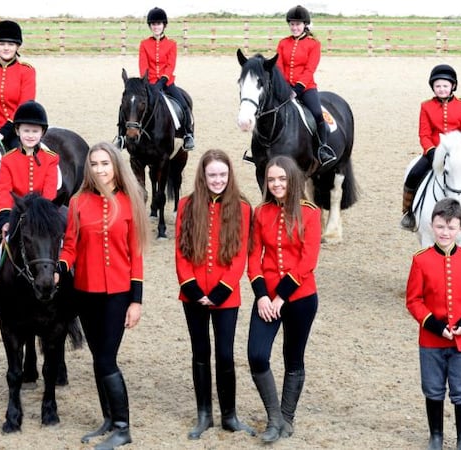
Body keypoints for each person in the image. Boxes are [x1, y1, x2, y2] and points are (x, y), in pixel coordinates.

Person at [57, 142, 149, 449]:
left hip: (118, 294)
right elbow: (70, 245)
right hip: (86, 291)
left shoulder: (129, 201)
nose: (99, 169)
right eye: (94, 164)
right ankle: (109, 419)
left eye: (105, 163)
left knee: (108, 359)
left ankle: (123, 427)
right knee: (98, 358)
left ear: (115, 167)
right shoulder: (78, 201)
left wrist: (136, 301)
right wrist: (60, 267)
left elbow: (136, 253)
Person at [175, 149, 255, 440]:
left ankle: (229, 416)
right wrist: (193, 289)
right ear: (203, 176)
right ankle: (204, 414)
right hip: (193, 295)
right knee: (200, 353)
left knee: (224, 354)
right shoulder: (186, 205)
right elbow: (181, 253)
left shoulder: (243, 208)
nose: (218, 180)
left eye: (223, 174)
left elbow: (239, 256)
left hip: (226, 296)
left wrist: (221, 292)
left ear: (229, 175)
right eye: (212, 175)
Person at [246, 155, 321, 444]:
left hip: (300, 298)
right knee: (256, 355)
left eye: (282, 179)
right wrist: (263, 296)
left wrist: (281, 298)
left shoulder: (310, 213)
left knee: (293, 358)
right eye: (271, 179)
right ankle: (274, 417)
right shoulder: (261, 211)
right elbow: (254, 257)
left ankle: (287, 417)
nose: (276, 184)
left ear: (293, 180)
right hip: (267, 299)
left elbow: (307, 260)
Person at [406, 197, 461, 450]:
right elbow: (414, 300)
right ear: (432, 226)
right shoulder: (420, 260)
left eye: (451, 227)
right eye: (440, 226)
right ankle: (436, 436)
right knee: (433, 388)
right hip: (431, 339)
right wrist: (435, 326)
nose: (445, 232)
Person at [0, 100, 59, 312]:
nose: (30, 135)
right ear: (18, 131)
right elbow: (3, 190)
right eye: (26, 130)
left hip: (44, 213)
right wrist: (4, 218)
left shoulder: (51, 158)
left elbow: (49, 190)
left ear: (42, 133)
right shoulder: (8, 159)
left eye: (35, 131)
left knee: (68, 239)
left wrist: (41, 213)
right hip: (15, 213)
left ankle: (70, 286)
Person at [401, 64, 461, 235]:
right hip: (434, 152)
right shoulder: (426, 106)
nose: (441, 89)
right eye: (437, 86)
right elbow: (424, 133)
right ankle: (409, 213)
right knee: (413, 175)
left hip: (458, 153)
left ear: (453, 86)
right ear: (433, 87)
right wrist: (430, 151)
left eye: (445, 85)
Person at [114, 6, 195, 151]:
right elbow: (143, 65)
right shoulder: (144, 44)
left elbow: (171, 65)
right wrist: (148, 82)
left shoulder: (172, 44)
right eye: (153, 24)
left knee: (184, 104)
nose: (156, 26)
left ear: (164, 25)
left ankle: (188, 135)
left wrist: (163, 80)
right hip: (148, 83)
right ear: (150, 26)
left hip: (167, 82)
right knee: (126, 105)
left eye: (158, 24)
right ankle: (121, 137)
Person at [276, 5, 337, 168]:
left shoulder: (314, 44)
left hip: (306, 87)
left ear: (305, 25)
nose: (294, 27)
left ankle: (323, 148)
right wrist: (284, 87)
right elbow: (279, 65)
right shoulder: (283, 43)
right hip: (285, 88)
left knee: (317, 114)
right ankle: (261, 148)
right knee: (268, 111)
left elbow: (310, 69)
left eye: (298, 24)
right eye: (292, 24)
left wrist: (297, 90)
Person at [0, 20, 36, 150]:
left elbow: (24, 106)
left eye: (11, 44)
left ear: (17, 46)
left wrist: (3, 132)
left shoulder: (27, 71)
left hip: (18, 131)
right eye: (1, 44)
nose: (6, 48)